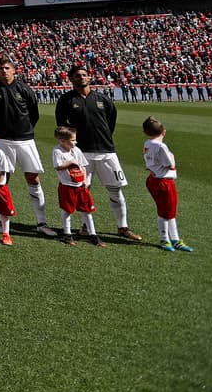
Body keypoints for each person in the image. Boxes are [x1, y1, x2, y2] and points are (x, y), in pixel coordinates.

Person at [55, 65, 142, 242]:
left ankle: (123, 227)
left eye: (85, 75)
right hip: (82, 153)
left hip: (106, 151)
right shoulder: (66, 100)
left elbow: (111, 122)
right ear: (71, 78)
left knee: (116, 191)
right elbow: (62, 127)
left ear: (89, 77)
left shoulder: (103, 99)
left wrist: (104, 137)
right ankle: (86, 227)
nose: (82, 78)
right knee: (82, 190)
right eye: (78, 75)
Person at [0, 57, 55, 237]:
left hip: (25, 140)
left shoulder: (24, 89)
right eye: (0, 68)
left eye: (7, 68)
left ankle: (41, 222)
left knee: (33, 178)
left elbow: (34, 114)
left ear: (14, 70)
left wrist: (25, 130)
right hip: (3, 141)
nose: (3, 71)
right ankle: (2, 219)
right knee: (1, 180)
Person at [142, 117, 193, 253]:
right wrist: (172, 157)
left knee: (168, 212)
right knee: (165, 212)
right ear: (163, 132)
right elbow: (169, 164)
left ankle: (174, 239)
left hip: (153, 179)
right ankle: (165, 239)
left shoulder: (147, 143)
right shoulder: (161, 146)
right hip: (164, 182)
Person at [51, 126, 102, 247]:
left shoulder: (77, 150)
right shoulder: (57, 151)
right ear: (62, 141)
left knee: (87, 210)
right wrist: (70, 162)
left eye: (75, 140)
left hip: (80, 186)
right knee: (67, 210)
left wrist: (84, 179)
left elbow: (83, 166)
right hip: (67, 186)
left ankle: (92, 234)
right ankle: (67, 234)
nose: (75, 142)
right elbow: (58, 166)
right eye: (72, 140)